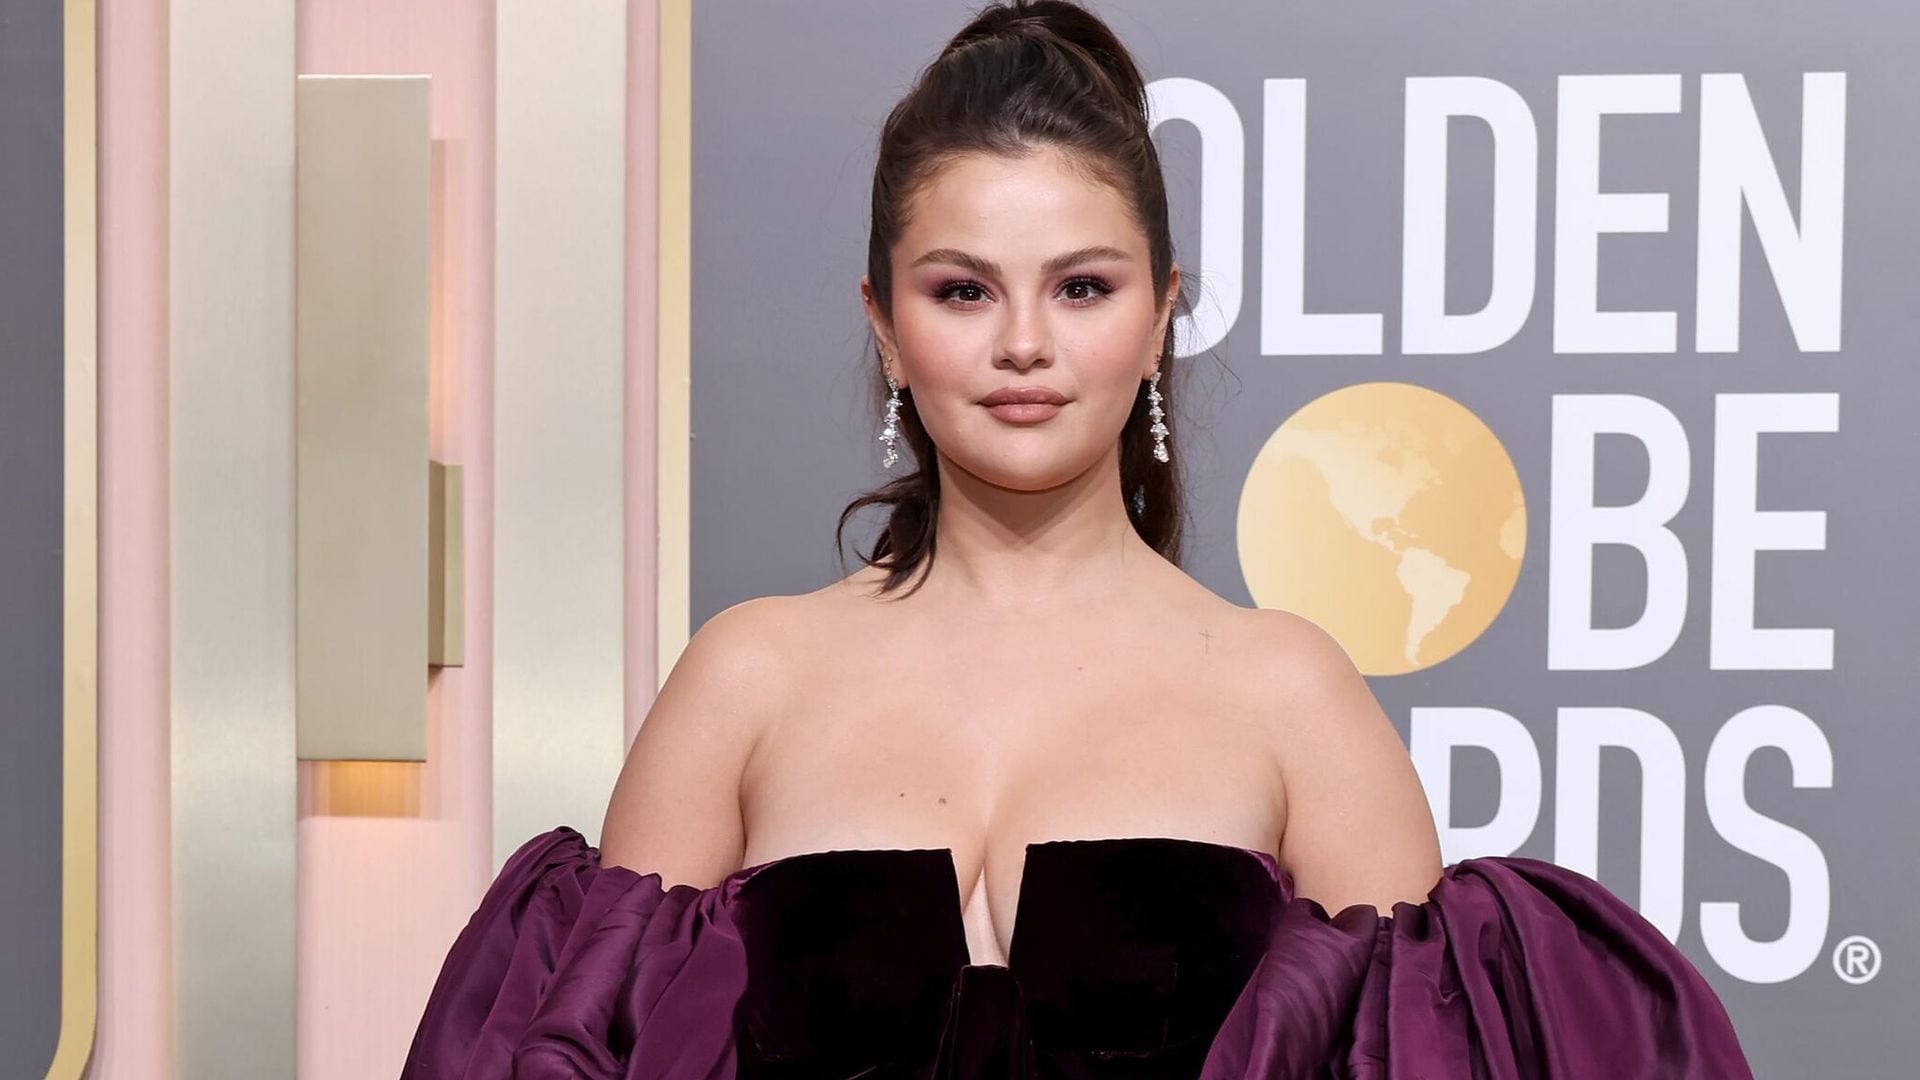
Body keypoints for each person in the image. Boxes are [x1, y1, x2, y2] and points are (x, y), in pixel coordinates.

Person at [402, 2, 1752, 1076]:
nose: (1026, 344)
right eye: (963, 290)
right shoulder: (747, 677)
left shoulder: (1287, 691)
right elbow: (586, 1060)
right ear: (883, 322)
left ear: (1161, 314)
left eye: (1083, 287)